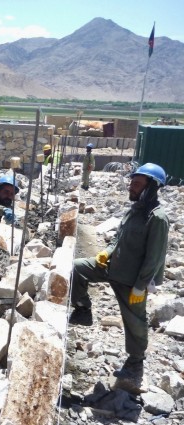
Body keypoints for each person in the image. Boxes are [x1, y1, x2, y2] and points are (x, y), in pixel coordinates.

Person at [69, 163, 169, 381]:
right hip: (112, 267)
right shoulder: (135, 209)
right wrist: (106, 251)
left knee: (135, 321)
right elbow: (119, 237)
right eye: (132, 183)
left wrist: (140, 286)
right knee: (76, 268)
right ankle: (83, 309)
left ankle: (135, 364)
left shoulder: (157, 218)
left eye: (137, 184)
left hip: (131, 279)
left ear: (151, 187)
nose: (131, 187)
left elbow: (155, 258)